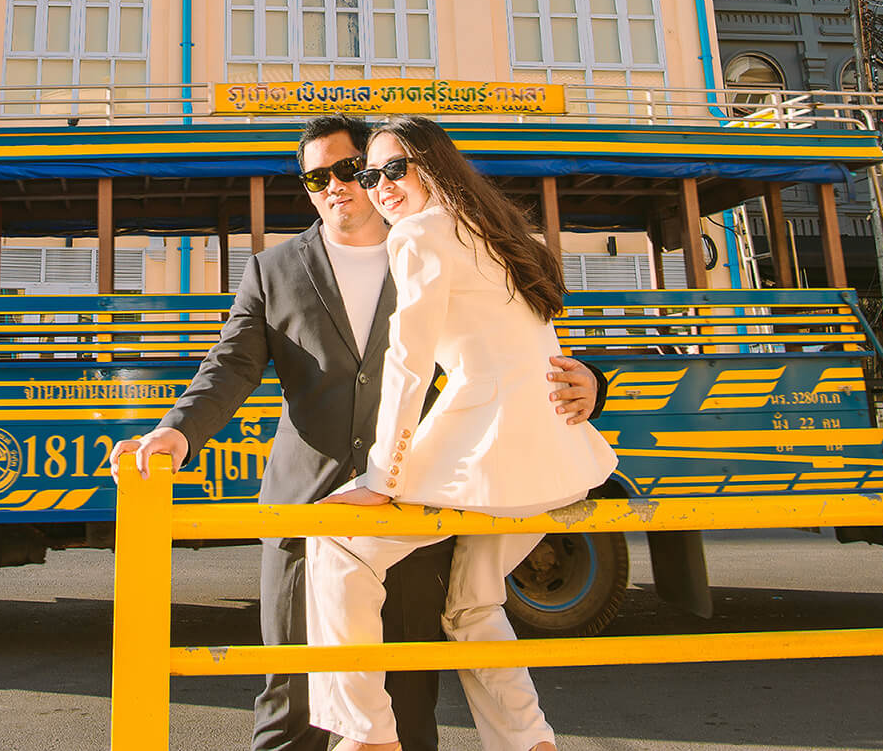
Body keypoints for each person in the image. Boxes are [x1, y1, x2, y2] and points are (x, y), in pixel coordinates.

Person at [112, 114, 605, 751]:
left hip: (423, 491)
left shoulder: (426, 236)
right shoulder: (275, 269)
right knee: (291, 701)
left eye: (352, 170)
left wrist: (587, 382)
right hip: (310, 500)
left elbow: (509, 333)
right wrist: (178, 432)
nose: (340, 186)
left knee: (412, 694)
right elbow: (230, 364)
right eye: (318, 178)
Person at [307, 116, 619, 751]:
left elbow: (409, 360)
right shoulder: (501, 233)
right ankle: (529, 741)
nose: (381, 186)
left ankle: (367, 735)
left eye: (396, 168)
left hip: (487, 449)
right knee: (475, 605)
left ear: (435, 165)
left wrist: (380, 478)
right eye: (372, 175)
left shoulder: (420, 233)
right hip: (555, 460)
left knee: (337, 545)